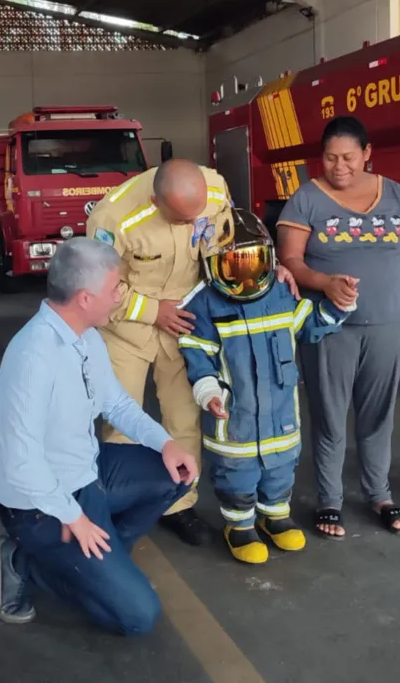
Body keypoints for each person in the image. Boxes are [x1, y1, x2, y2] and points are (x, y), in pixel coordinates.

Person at [0, 237, 198, 635]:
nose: (120, 297)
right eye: (115, 289)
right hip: (42, 504)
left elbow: (116, 404)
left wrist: (167, 443)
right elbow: (20, 463)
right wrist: (73, 517)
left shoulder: (85, 334)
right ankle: (25, 563)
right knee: (137, 617)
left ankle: (101, 559)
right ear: (85, 298)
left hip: (89, 471)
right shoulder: (34, 356)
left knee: (178, 471)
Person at [85, 158, 298, 547]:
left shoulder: (215, 189)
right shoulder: (113, 217)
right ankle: (119, 508)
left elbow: (234, 240)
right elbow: (100, 288)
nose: (191, 225)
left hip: (186, 322)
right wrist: (153, 311)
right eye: (181, 220)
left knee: (183, 419)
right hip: (128, 327)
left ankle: (178, 505)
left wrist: (271, 267)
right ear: (155, 199)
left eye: (195, 216)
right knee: (122, 422)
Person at [278, 115, 400, 540]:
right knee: (329, 415)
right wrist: (325, 283)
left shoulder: (396, 195)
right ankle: (329, 500)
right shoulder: (307, 198)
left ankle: (379, 495)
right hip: (330, 328)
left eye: (348, 157)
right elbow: (290, 261)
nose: (339, 166)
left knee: (377, 414)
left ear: (367, 154)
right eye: (330, 158)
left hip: (386, 324)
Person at [179, 208, 354, 563]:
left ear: (270, 259)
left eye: (254, 263)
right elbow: (198, 358)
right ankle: (239, 526)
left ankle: (276, 516)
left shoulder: (280, 294)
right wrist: (209, 394)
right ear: (212, 267)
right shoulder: (204, 306)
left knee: (279, 469)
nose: (245, 276)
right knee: (237, 476)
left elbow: (309, 324)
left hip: (280, 417)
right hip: (235, 420)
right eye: (233, 266)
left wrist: (339, 305)